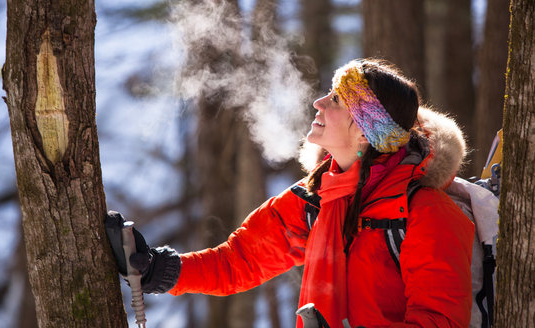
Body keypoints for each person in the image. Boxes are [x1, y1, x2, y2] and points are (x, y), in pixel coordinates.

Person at [106, 58, 475, 327]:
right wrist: (162, 269)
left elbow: (441, 322)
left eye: (336, 101)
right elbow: (239, 262)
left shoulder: (427, 214)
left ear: (364, 132)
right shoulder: (315, 199)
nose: (319, 103)